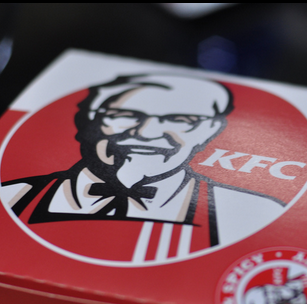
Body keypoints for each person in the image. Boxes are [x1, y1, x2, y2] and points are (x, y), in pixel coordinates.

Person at [1, 74, 285, 262]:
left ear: (209, 131)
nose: (147, 133)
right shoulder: (13, 197)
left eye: (181, 120)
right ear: (88, 121)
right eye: (125, 115)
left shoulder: (250, 216)